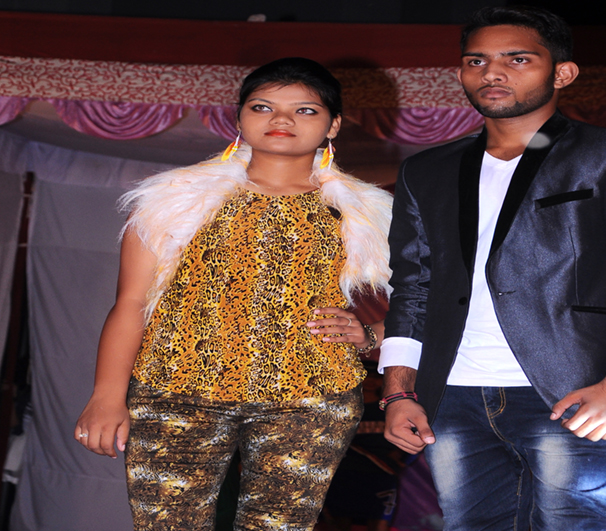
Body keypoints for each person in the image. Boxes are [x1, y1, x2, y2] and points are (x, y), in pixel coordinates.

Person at [379, 6, 606, 531]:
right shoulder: (427, 169)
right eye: (476, 61)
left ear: (562, 72)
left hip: (572, 389)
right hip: (451, 395)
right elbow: (412, 286)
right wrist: (398, 391)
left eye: (517, 59)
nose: (492, 72)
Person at [74, 57, 392, 531]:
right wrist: (106, 394)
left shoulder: (363, 211)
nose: (282, 119)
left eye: (305, 110)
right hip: (174, 391)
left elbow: (433, 295)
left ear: (333, 125)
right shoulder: (175, 199)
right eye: (263, 107)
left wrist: (372, 333)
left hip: (311, 398)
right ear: (239, 117)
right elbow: (131, 303)